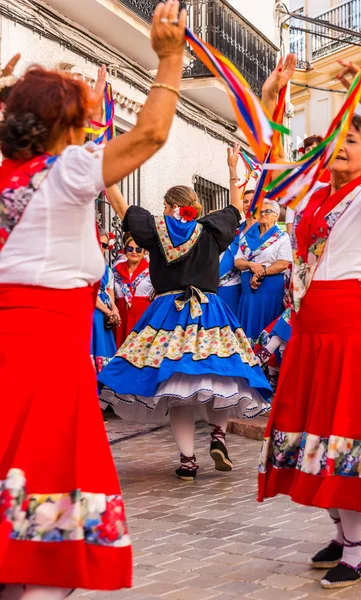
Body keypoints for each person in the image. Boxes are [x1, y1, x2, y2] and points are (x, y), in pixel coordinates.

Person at [0, 1, 187, 597]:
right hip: (49, 359)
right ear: (65, 126)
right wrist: (170, 58)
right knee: (53, 513)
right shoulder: (69, 169)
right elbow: (153, 133)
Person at [258, 57, 361, 590]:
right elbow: (269, 165)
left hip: (354, 330)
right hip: (312, 330)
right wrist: (273, 98)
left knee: (348, 434)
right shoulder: (314, 196)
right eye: (335, 139)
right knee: (313, 432)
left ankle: (360, 551)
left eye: (353, 141)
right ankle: (343, 536)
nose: (341, 147)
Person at [98, 184, 272, 481]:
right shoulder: (211, 231)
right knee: (220, 375)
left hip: (169, 313)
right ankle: (218, 434)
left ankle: (188, 462)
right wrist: (233, 175)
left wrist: (108, 178)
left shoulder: (156, 231)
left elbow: (122, 208)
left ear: (169, 206)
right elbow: (235, 211)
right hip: (210, 311)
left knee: (177, 392)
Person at [234, 200, 292, 345]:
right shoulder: (246, 237)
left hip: (270, 290)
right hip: (248, 292)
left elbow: (283, 263)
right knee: (248, 325)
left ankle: (264, 362)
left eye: (267, 211)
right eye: (260, 211)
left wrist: (260, 273)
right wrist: (250, 264)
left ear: (276, 216)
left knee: (266, 324)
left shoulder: (282, 237)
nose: (262, 214)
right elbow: (238, 262)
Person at [217, 142, 257, 316]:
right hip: (221, 289)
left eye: (252, 201)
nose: (248, 205)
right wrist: (232, 168)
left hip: (247, 290)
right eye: (245, 201)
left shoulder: (264, 233)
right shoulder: (236, 229)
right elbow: (235, 201)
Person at [112, 230, 153, 348]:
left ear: (144, 251)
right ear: (125, 251)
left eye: (138, 249)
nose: (134, 252)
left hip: (142, 316)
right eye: (130, 249)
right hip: (121, 318)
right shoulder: (115, 270)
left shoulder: (151, 271)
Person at [286, 135, 331, 235]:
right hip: (299, 224)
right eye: (308, 149)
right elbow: (292, 203)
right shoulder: (297, 173)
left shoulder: (330, 173)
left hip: (321, 224)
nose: (311, 152)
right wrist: (289, 227)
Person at [90, 230, 119, 372]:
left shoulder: (107, 270)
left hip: (103, 314)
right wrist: (109, 312)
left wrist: (114, 310)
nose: (101, 247)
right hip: (91, 313)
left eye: (105, 245)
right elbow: (91, 295)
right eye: (98, 243)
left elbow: (109, 292)